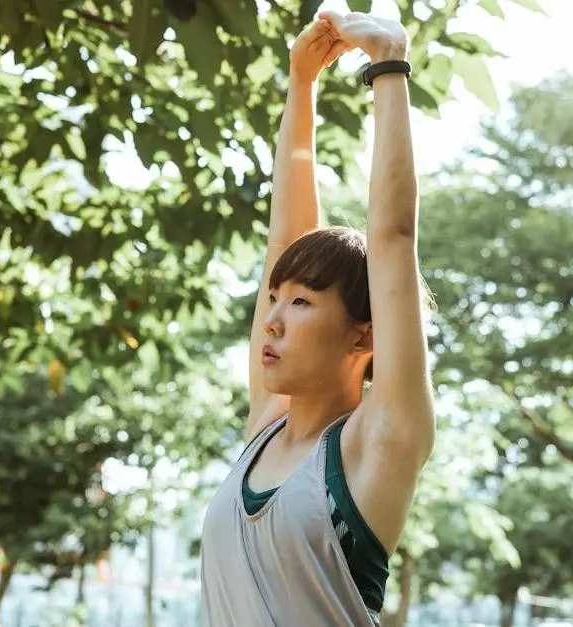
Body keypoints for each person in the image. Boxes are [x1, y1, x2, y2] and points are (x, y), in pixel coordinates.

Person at [199, 10, 435, 626]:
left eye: (301, 302)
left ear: (367, 332)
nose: (272, 320)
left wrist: (387, 64)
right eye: (275, 298)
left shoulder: (377, 442)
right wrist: (300, 83)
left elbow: (393, 236)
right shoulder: (266, 427)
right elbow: (285, 239)